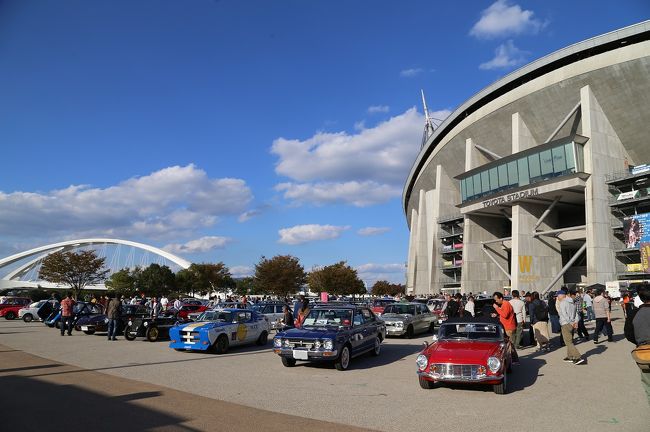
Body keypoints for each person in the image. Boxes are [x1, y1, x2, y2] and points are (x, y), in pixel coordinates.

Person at [624, 284, 650, 405]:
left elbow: (628, 334)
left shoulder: (634, 313)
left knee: (648, 383)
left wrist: (640, 342)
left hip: (644, 352)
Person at [558, 289, 584, 364]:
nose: (557, 298)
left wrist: (571, 322)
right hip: (572, 323)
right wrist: (575, 322)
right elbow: (576, 314)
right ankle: (570, 356)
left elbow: (564, 314)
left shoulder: (563, 302)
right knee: (569, 340)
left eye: (558, 296)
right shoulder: (572, 302)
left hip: (566, 323)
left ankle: (577, 357)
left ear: (562, 296)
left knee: (568, 342)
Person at [491, 292, 519, 363]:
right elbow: (504, 315)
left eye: (496, 299)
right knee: (510, 345)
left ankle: (513, 360)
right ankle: (514, 360)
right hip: (507, 327)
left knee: (509, 345)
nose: (496, 301)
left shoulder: (506, 304)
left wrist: (497, 308)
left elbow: (505, 314)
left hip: (509, 327)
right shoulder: (504, 304)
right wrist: (497, 315)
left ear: (501, 298)